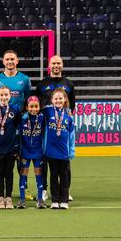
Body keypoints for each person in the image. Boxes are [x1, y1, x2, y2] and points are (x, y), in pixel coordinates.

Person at [0, 49, 32, 199]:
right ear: (3, 61)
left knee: (20, 158)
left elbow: (28, 100)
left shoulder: (24, 79)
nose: (10, 62)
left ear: (17, 61)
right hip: (2, 125)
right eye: (7, 59)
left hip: (17, 124)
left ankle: (24, 188)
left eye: (12, 59)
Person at [34, 55, 76, 201]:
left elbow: (71, 107)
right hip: (46, 127)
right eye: (53, 63)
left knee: (65, 162)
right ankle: (44, 189)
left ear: (62, 65)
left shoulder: (69, 84)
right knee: (45, 160)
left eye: (58, 63)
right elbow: (37, 105)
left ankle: (65, 190)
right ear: (49, 66)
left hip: (61, 126)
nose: (56, 65)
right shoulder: (41, 84)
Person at [42, 89, 75, 209]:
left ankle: (64, 200)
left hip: (64, 152)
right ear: (52, 100)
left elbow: (71, 135)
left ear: (65, 99)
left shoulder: (69, 116)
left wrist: (71, 151)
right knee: (53, 175)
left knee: (64, 176)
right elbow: (35, 110)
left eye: (60, 98)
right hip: (51, 151)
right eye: (55, 98)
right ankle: (55, 200)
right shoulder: (47, 111)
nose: (58, 100)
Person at [0, 86, 20, 209]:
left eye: (6, 95)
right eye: (1, 95)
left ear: (10, 96)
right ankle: (0, 197)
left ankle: (8, 197)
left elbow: (18, 127)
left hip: (11, 147)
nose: (4, 97)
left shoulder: (15, 110)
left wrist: (17, 147)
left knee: (9, 173)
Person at [18, 96, 45, 209]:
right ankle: (22, 199)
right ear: (26, 107)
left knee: (39, 174)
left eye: (36, 106)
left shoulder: (42, 117)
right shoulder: (22, 118)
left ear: (40, 106)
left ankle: (40, 199)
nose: (34, 109)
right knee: (23, 175)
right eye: (31, 106)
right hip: (25, 151)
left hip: (38, 151)